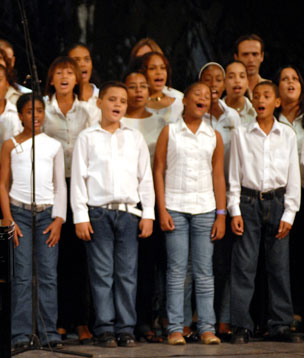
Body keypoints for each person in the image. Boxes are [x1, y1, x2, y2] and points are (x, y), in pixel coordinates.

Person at [72, 82, 155, 348]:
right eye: (112, 99)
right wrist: (80, 216)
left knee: (127, 274)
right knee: (102, 274)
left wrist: (148, 213)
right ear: (100, 103)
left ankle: (125, 327)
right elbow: (78, 180)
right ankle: (105, 328)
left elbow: (146, 179)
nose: (118, 104)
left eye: (122, 100)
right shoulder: (88, 137)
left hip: (129, 213)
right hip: (98, 213)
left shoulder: (134, 137)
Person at [228, 81, 302, 344]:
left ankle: (280, 324)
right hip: (248, 202)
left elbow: (293, 175)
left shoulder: (287, 135)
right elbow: (234, 174)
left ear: (277, 102)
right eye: (256, 96)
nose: (261, 100)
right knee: (244, 266)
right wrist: (234, 209)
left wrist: (290, 213)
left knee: (279, 266)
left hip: (278, 201)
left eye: (267, 96)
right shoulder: (241, 133)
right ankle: (241, 325)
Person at [154, 82, 226, 345]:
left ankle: (207, 328)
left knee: (204, 271)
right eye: (198, 94)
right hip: (175, 206)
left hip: (205, 208)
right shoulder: (170, 132)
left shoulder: (213, 136)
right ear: (185, 100)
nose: (203, 99)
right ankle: (175, 327)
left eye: (207, 96)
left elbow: (218, 175)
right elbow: (158, 170)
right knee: (177, 271)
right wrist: (161, 209)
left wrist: (221, 214)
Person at [0, 94, 66, 349]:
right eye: (29, 111)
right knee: (22, 276)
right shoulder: (11, 145)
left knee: (48, 275)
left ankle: (49, 332)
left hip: (48, 214)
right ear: (20, 116)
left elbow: (60, 185)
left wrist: (59, 218)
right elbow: (3, 184)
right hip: (20, 214)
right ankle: (20, 334)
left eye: (39, 111)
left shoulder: (53, 145)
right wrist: (8, 217)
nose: (35, 116)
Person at [42, 56, 93, 343]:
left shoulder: (86, 111)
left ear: (77, 80)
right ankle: (59, 319)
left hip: (82, 186)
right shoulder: (43, 111)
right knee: (56, 257)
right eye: (58, 72)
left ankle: (83, 321)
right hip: (52, 187)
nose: (64, 77)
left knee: (81, 256)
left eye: (69, 73)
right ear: (51, 79)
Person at [122, 71, 167, 342]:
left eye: (143, 86)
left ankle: (145, 320)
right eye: (132, 86)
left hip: (153, 194)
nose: (138, 91)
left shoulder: (161, 121)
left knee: (149, 264)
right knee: (125, 266)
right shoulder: (117, 119)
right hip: (126, 195)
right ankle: (121, 321)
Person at [199, 62, 242, 338]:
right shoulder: (194, 115)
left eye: (218, 79)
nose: (214, 84)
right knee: (201, 263)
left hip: (228, 195)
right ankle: (199, 318)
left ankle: (224, 318)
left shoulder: (233, 117)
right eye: (207, 79)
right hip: (200, 195)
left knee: (225, 262)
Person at [274, 65, 304, 327]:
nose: (290, 82)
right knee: (286, 258)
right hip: (281, 198)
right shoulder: (270, 121)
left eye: (295, 78)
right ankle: (288, 313)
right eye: (284, 79)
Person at [138, 52, 183, 124]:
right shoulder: (134, 105)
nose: (159, 72)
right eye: (152, 68)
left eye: (163, 68)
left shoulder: (180, 103)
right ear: (142, 73)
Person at [68, 43, 100, 124]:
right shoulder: (55, 101)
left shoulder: (103, 96)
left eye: (86, 59)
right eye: (76, 60)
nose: (83, 64)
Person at [224, 61, 256, 125]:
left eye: (242, 76)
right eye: (231, 77)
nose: (237, 81)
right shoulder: (216, 112)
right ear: (223, 82)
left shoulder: (256, 111)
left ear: (247, 82)